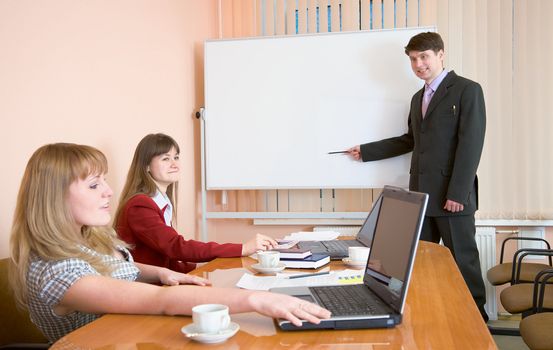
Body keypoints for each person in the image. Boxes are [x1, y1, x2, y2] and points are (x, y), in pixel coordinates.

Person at [8, 143, 330, 343]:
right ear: (53, 198)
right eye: (94, 185)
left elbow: (119, 268)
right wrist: (258, 300)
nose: (108, 191)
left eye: (105, 180)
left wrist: (159, 274)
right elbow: (157, 302)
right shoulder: (57, 270)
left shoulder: (86, 240)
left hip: (132, 334)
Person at [347, 32, 488, 321]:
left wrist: (457, 194)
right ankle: (430, 318)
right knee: (418, 262)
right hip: (422, 197)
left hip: (453, 198)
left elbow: (471, 144)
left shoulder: (467, 90)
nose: (419, 64)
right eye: (413, 59)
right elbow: (410, 140)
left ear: (440, 54)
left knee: (464, 265)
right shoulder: (417, 98)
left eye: (424, 56)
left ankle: (477, 322)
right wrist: (367, 151)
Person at [114, 133, 278, 273]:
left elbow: (168, 255)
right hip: (145, 289)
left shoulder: (159, 201)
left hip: (160, 282)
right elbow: (175, 247)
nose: (174, 164)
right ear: (146, 166)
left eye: (176, 157)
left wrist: (200, 269)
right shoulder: (140, 205)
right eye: (165, 158)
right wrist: (242, 248)